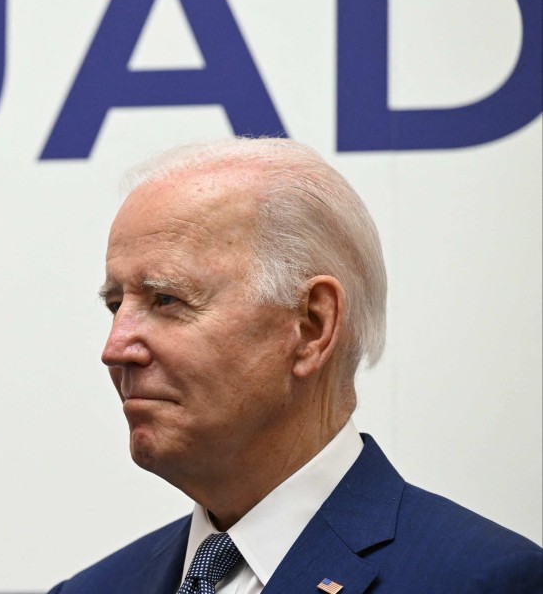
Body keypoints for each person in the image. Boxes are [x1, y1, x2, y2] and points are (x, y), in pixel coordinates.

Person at [48, 138, 542, 593]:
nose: (115, 349)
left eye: (167, 300)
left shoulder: (485, 580)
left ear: (311, 325)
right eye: (116, 306)